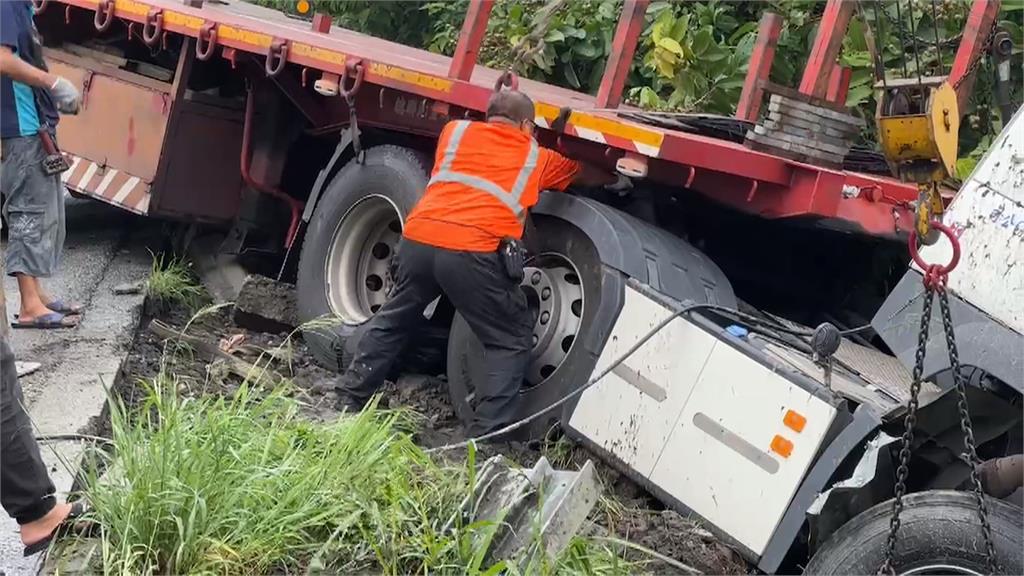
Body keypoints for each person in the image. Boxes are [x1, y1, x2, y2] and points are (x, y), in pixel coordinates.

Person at [335, 90, 613, 436]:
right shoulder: (533, 156)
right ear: (527, 126)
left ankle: (349, 395)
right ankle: (486, 435)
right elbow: (583, 172)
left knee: (395, 318)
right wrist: (614, 176)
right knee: (510, 337)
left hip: (418, 240)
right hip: (469, 252)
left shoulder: (455, 134)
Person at [1, 0, 83, 329]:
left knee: (42, 209)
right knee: (28, 213)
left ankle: (37, 293)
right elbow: (3, 59)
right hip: (18, 129)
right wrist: (52, 83)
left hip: (31, 126)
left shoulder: (21, 6)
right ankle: (29, 305)